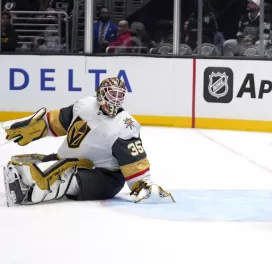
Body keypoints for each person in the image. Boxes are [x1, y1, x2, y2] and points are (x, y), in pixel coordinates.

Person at [2, 77, 175, 206]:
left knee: (66, 175)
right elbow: (58, 121)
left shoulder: (125, 126)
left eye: (119, 95)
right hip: (70, 160)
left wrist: (143, 184)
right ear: (100, 93)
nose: (115, 100)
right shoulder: (84, 105)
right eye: (111, 94)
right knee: (32, 162)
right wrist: (36, 127)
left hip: (104, 178)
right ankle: (30, 180)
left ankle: (30, 192)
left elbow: (134, 160)